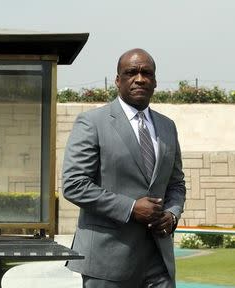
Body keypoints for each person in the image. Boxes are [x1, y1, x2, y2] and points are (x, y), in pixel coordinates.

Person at [62, 48, 186, 288]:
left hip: (158, 260)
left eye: (146, 73)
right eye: (131, 72)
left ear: (155, 81)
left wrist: (172, 215)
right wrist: (130, 208)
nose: (139, 78)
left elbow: (176, 183)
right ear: (118, 80)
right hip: (107, 261)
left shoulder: (167, 126)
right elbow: (74, 184)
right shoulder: (92, 123)